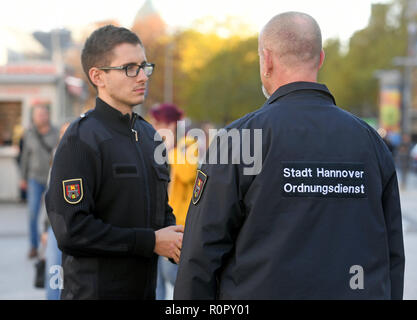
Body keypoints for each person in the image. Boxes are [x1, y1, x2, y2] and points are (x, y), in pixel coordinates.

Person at [174, 12, 405, 300]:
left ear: (266, 60)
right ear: (320, 59)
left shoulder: (239, 140)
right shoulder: (371, 142)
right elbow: (392, 252)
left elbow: (201, 254)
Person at [45, 25, 183, 300]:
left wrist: (180, 238)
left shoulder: (149, 136)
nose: (143, 76)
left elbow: (159, 210)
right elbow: (72, 230)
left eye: (145, 66)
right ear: (98, 76)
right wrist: (151, 241)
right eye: (130, 68)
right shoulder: (80, 140)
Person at [149, 103, 199, 300]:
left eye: (157, 121)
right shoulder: (154, 145)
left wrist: (170, 150)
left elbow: (187, 174)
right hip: (156, 222)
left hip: (179, 221)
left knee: (173, 275)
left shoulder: (187, 144)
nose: (152, 125)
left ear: (169, 125)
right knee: (156, 281)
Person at [20, 103, 59, 259]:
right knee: (32, 213)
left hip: (53, 178)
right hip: (34, 178)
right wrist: (23, 178)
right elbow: (24, 158)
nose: (41, 117)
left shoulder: (57, 133)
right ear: (34, 117)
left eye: (43, 114)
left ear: (48, 116)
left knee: (53, 214)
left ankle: (52, 243)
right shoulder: (29, 134)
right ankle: (34, 246)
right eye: (38, 115)